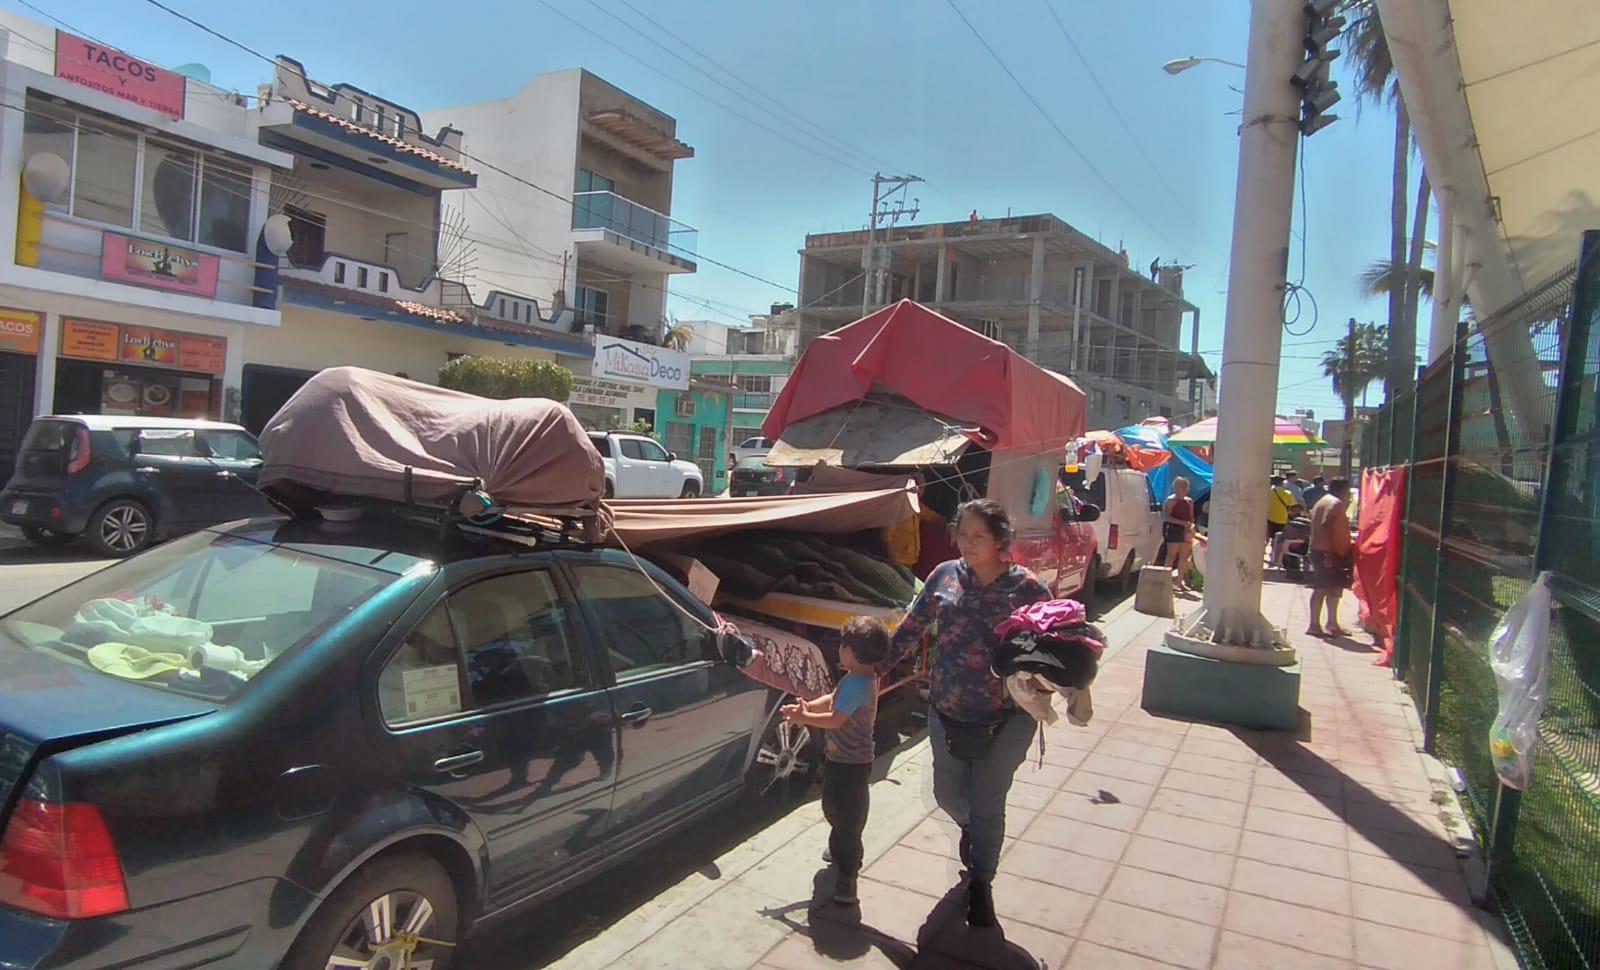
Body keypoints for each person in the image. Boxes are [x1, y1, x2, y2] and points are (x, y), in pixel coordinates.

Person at [888, 499, 1051, 927]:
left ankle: (981, 883)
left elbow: (1060, 640)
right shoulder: (944, 576)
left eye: (978, 536)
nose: (968, 543)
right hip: (947, 709)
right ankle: (973, 834)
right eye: (963, 534)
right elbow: (911, 627)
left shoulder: (1028, 589)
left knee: (987, 801)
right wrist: (873, 668)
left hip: (1009, 717)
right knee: (947, 794)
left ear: (1001, 541)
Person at [781, 617, 891, 905]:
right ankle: (842, 844)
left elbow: (835, 718)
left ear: (854, 651)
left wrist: (804, 717)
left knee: (847, 814)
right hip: (840, 759)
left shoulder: (859, 684)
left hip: (851, 763)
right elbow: (832, 699)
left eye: (843, 645)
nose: (839, 650)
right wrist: (807, 705)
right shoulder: (854, 678)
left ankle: (847, 876)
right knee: (834, 807)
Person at [1307, 477, 1354, 637]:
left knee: (1334, 588)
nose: (1349, 496)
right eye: (1348, 492)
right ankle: (1314, 625)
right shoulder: (1335, 504)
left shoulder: (1323, 501)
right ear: (1343, 491)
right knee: (1322, 588)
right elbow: (1325, 525)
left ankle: (1332, 623)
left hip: (1325, 551)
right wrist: (1327, 552)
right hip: (1327, 552)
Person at [1162, 477, 1197, 591]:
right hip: (1173, 529)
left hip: (1186, 531)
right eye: (1179, 486)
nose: (1182, 489)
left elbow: (1191, 517)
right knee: (1171, 556)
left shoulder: (1189, 501)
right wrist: (1182, 523)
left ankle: (1179, 582)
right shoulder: (1171, 500)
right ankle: (1165, 580)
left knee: (1184, 557)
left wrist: (1192, 526)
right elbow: (1168, 517)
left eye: (1184, 487)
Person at [1266, 475, 1295, 566]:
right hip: (1283, 519)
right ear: (1281, 483)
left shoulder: (1267, 492)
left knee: (1268, 538)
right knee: (1279, 539)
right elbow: (1292, 506)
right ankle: (1276, 558)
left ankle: (1268, 556)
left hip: (1269, 518)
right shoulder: (1287, 493)